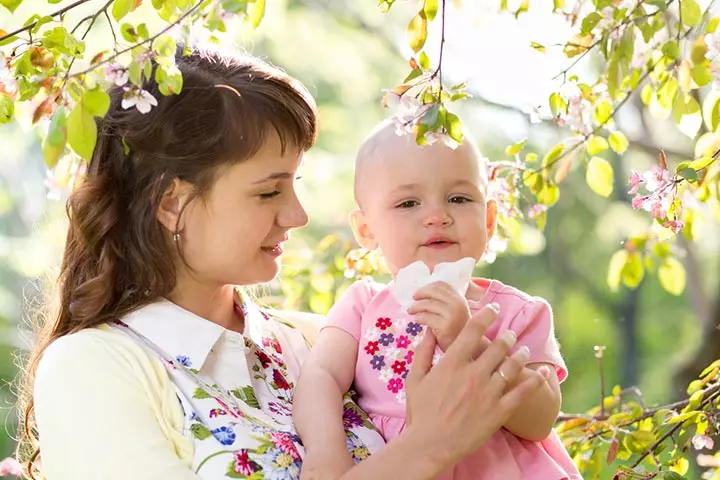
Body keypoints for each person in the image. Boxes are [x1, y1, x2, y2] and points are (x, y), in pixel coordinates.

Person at [15, 45, 545, 480]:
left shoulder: (318, 342)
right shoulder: (94, 368)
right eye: (269, 191)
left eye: (295, 184)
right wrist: (429, 447)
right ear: (171, 202)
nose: (298, 214)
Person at [293, 120, 582, 480]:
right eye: (408, 203)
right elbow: (319, 377)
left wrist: (469, 340)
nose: (437, 217)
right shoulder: (363, 304)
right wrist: (325, 453)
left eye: (458, 199)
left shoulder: (517, 312)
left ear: (489, 221)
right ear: (367, 230)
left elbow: (540, 420)